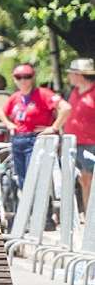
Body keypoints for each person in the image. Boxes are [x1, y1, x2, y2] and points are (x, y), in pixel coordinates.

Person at [0, 64, 71, 229]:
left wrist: (53, 128)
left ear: (33, 77)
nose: (23, 81)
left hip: (36, 139)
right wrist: (9, 124)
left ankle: (45, 218)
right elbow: (2, 112)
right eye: (19, 77)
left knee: (37, 178)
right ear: (14, 79)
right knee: (23, 180)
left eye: (27, 76)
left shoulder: (43, 94)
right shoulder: (15, 97)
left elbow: (65, 108)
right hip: (18, 140)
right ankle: (31, 216)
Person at [64, 58, 95, 215]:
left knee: (88, 178)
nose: (69, 77)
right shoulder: (74, 92)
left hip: (91, 143)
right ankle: (87, 213)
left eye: (71, 74)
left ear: (79, 75)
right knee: (82, 180)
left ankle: (90, 214)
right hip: (73, 142)